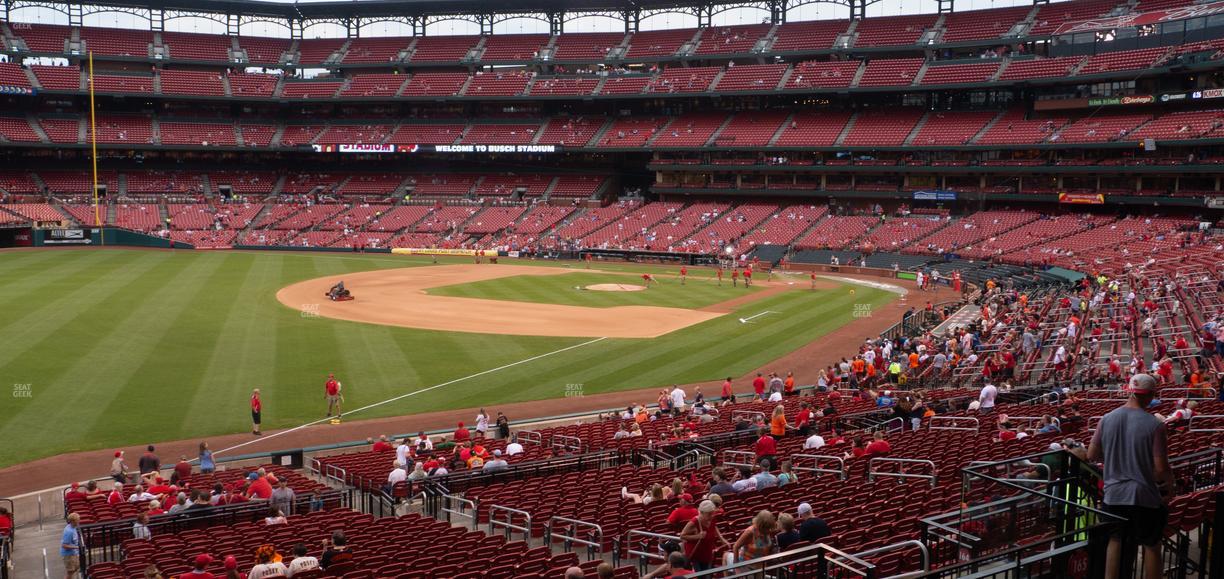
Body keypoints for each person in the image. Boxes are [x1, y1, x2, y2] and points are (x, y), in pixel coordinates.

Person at [1088, 374, 1173, 579]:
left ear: (1130, 391)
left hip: (1113, 493)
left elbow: (1091, 454)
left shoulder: (1106, 418)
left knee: (1115, 540)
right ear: (1150, 395)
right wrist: (1171, 483)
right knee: (1151, 545)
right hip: (1143, 494)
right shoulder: (1155, 425)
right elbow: (1160, 468)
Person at [680, 500, 730, 571]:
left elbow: (714, 526)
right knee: (701, 575)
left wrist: (721, 538)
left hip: (708, 551)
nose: (712, 516)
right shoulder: (694, 522)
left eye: (713, 513)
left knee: (707, 574)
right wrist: (698, 536)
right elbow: (682, 536)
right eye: (709, 514)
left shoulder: (712, 518)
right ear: (702, 512)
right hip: (696, 554)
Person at [62, 512, 82, 579]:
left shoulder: (73, 527)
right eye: (78, 520)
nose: (79, 521)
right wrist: (76, 547)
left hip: (73, 553)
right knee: (70, 571)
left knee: (76, 567)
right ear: (73, 521)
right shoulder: (69, 531)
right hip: (69, 555)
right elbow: (64, 545)